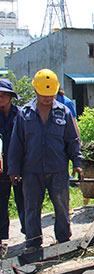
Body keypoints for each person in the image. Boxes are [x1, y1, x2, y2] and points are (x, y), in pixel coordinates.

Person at [8, 69, 82, 252]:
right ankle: (33, 243)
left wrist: (78, 163)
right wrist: (13, 169)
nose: (48, 99)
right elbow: (16, 144)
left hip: (58, 169)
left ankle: (64, 240)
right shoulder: (24, 114)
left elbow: (73, 140)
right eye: (43, 95)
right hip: (31, 171)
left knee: (61, 206)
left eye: (51, 95)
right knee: (31, 207)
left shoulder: (63, 112)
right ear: (35, 91)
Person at [0, 79, 25, 255]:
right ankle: (2, 239)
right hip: (0, 168)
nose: (0, 98)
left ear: (10, 97)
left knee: (23, 200)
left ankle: (30, 235)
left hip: (20, 165)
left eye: (3, 95)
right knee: (1, 203)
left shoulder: (21, 115)